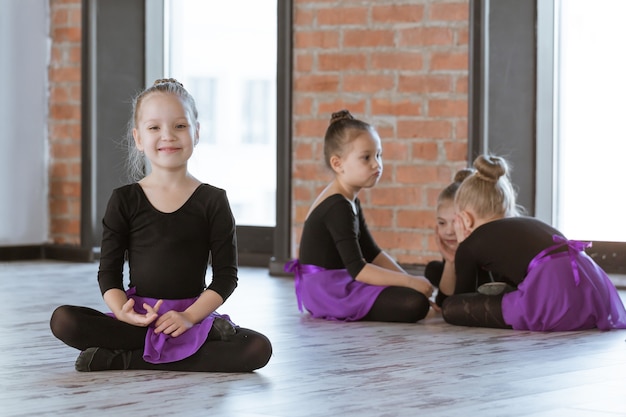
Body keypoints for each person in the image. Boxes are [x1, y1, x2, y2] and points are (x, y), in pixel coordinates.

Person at [50, 78, 272, 372]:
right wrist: (123, 312)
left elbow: (225, 277)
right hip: (141, 319)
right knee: (64, 320)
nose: (167, 135)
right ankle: (158, 347)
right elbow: (109, 273)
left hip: (190, 318)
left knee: (257, 348)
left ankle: (126, 357)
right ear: (139, 138)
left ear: (197, 132)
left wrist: (190, 317)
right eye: (154, 127)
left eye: (179, 126)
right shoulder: (124, 200)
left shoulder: (213, 201)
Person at [441, 153, 626, 331]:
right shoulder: (527, 224)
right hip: (590, 287)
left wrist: (462, 246)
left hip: (554, 295)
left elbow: (463, 296)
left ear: (465, 219)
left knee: (450, 308)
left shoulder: (472, 243)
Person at [285, 110, 434, 323]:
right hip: (328, 291)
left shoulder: (349, 199)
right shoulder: (337, 205)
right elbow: (359, 269)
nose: (376, 164)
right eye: (366, 157)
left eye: (379, 155)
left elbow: (372, 252)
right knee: (414, 303)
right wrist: (409, 283)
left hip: (341, 281)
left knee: (415, 296)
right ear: (338, 164)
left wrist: (411, 280)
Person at [424, 168, 474, 306]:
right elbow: (443, 303)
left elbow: (461, 301)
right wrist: (450, 261)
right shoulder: (452, 244)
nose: (448, 231)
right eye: (442, 223)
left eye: (456, 222)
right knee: (433, 270)